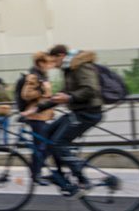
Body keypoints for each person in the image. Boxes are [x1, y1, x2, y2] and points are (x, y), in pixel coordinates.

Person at [22, 44, 103, 196]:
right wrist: (37, 109)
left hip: (88, 113)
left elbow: (91, 89)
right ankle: (60, 176)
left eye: (53, 61)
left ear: (61, 56)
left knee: (59, 143)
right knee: (47, 132)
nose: (52, 65)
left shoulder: (81, 65)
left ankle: (82, 180)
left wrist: (71, 97)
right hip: (77, 112)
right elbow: (62, 95)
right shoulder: (69, 69)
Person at [18, 52, 54, 183]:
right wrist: (42, 91)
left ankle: (35, 170)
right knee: (40, 146)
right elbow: (26, 94)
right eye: (47, 62)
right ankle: (36, 174)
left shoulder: (43, 76)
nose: (50, 65)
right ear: (40, 63)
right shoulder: (34, 76)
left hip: (43, 116)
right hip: (36, 117)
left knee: (45, 145)